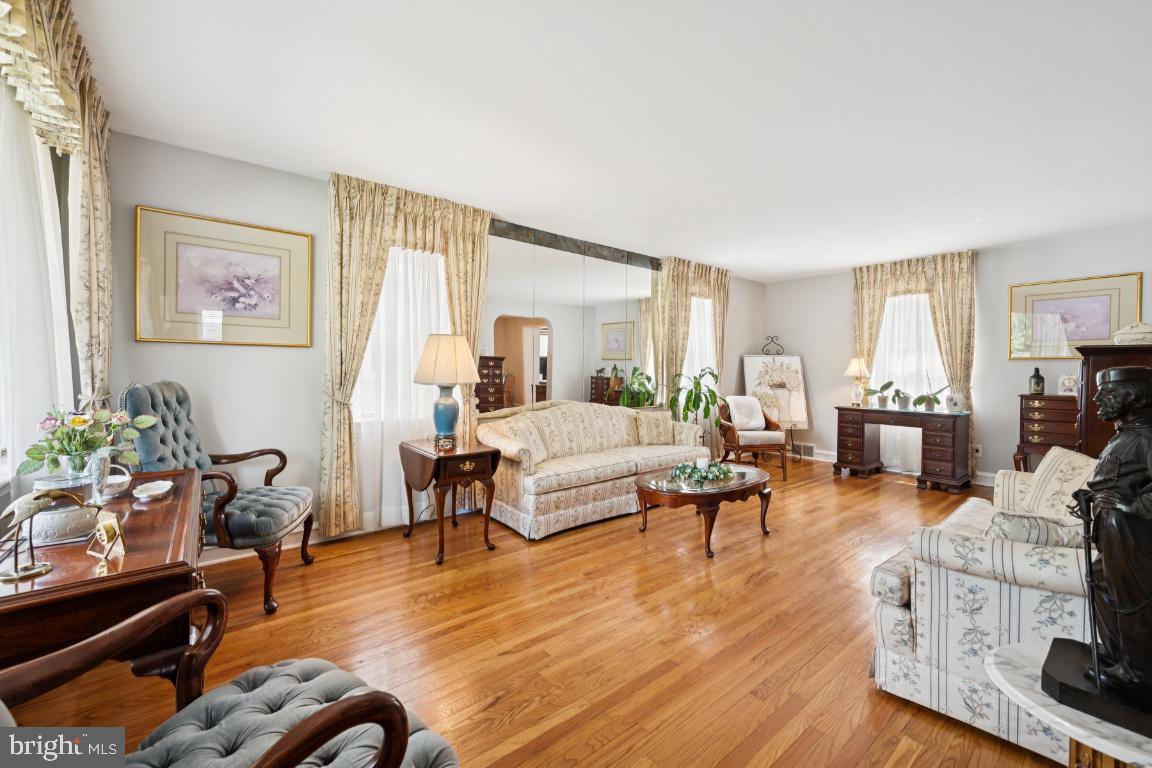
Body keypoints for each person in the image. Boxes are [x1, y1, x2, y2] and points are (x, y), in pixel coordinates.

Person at [1085, 366, 1152, 696]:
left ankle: (1138, 669)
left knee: (1130, 597)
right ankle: (1116, 652)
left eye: (1107, 393)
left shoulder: (1147, 439)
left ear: (1133, 397)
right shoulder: (1124, 437)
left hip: (1130, 536)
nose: (1097, 398)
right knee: (1101, 582)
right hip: (1110, 533)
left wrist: (1127, 506)